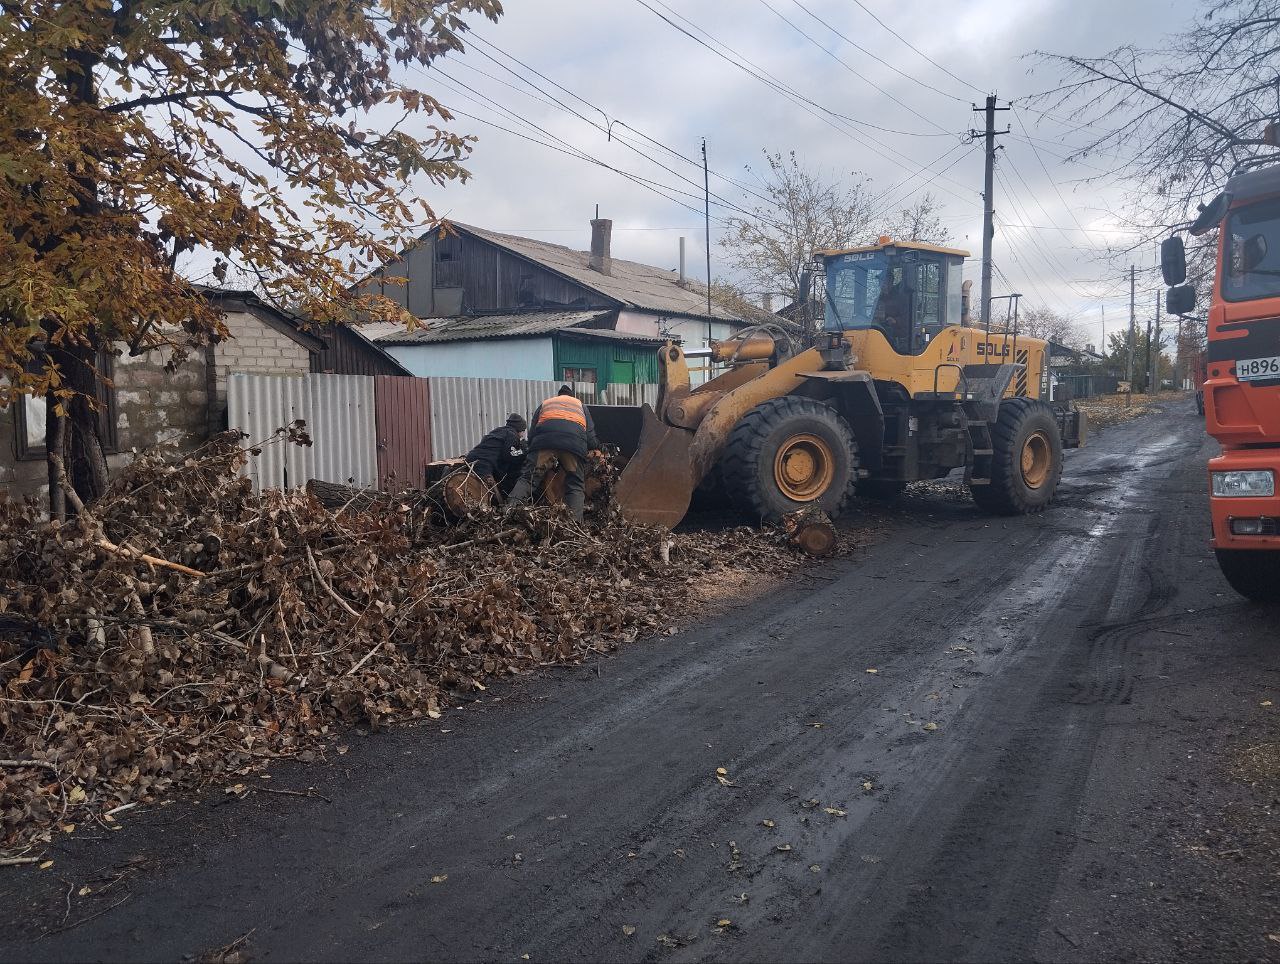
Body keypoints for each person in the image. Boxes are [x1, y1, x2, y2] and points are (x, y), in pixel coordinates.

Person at [508, 385, 598, 521]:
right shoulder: (580, 406)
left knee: (527, 479)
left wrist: (532, 451)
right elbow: (590, 437)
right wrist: (596, 446)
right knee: (575, 485)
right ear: (572, 396)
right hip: (573, 446)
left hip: (544, 443)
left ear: (558, 396)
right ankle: (575, 525)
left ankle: (508, 513)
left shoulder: (546, 404)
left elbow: (532, 433)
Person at [465, 413, 527, 494]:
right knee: (486, 493)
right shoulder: (512, 435)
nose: (523, 435)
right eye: (523, 431)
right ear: (519, 429)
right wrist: (523, 451)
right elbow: (509, 455)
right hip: (484, 463)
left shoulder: (499, 431)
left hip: (471, 457)